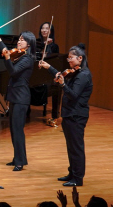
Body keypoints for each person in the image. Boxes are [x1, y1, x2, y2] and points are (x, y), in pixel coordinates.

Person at [40, 44, 93, 186]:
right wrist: (49, 67)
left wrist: (63, 85)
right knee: (71, 147)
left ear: (80, 58)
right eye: (68, 57)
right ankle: (72, 173)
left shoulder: (83, 75)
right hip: (70, 114)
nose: (68, 60)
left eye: (71, 57)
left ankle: (78, 178)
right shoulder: (75, 72)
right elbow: (61, 75)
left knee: (76, 148)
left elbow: (74, 95)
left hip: (77, 116)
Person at [0, 29, 36, 171]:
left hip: (21, 98)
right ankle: (17, 158)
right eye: (19, 39)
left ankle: (20, 162)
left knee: (18, 130)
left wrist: (8, 59)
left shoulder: (27, 59)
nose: (19, 41)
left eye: (22, 40)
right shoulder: (20, 56)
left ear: (28, 45)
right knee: (14, 130)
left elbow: (13, 72)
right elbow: (6, 52)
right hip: (15, 97)